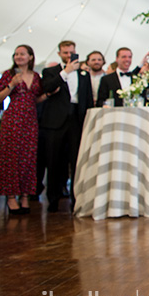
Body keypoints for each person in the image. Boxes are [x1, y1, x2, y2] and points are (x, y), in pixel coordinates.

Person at [41, 40, 95, 212]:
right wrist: (65, 72)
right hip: (55, 121)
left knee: (76, 160)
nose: (69, 55)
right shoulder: (50, 71)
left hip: (76, 120)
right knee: (54, 161)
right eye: (65, 53)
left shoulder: (84, 74)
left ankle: (76, 198)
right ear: (59, 54)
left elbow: (86, 99)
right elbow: (47, 87)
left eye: (71, 52)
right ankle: (53, 198)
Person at [0, 45, 44, 215]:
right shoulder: (8, 75)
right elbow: (0, 97)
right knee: (11, 157)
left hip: (30, 121)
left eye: (22, 54)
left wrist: (47, 96)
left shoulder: (36, 76)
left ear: (30, 57)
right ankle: (11, 197)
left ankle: (25, 196)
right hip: (13, 120)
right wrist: (11, 85)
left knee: (28, 158)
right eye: (16, 54)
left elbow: (35, 98)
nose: (18, 56)